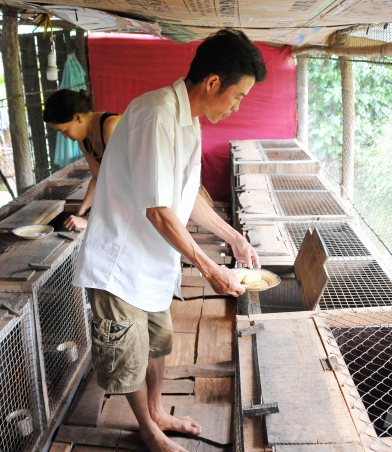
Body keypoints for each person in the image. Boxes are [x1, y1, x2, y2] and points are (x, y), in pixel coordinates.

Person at [74, 29, 266, 452]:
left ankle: (159, 411)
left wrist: (232, 238)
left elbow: (185, 197)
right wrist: (210, 268)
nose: (237, 106)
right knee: (128, 356)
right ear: (213, 82)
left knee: (157, 344)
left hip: (154, 260)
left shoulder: (188, 121)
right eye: (238, 95)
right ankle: (147, 428)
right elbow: (158, 211)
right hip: (120, 264)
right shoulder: (156, 114)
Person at [43, 89, 121, 230]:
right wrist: (81, 212)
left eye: (65, 130)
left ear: (78, 118)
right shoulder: (83, 139)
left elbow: (120, 184)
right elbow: (98, 178)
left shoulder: (111, 127)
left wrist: (88, 219)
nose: (65, 136)